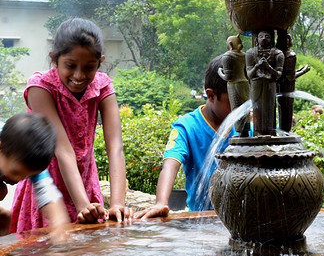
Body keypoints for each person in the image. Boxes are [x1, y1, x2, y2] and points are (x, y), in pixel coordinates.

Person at [11, 18, 133, 234]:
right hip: (48, 186)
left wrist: (117, 204)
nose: (78, 75)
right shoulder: (41, 88)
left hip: (85, 182)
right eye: (70, 65)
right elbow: (63, 150)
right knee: (45, 251)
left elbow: (115, 148)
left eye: (89, 67)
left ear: (100, 62)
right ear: (54, 59)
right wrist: (82, 206)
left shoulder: (103, 88)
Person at [134, 55, 235, 218]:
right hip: (201, 220)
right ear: (210, 95)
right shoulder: (186, 127)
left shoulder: (245, 128)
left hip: (240, 220)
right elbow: (170, 164)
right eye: (234, 100)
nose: (240, 107)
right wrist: (161, 203)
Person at [0, 114, 69, 238]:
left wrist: (59, 228)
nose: (19, 179)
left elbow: (47, 192)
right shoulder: (11, 145)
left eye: (27, 175)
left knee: (4, 218)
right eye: (16, 172)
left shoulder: (26, 150)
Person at [245, 30, 284, 136]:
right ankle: (258, 132)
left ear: (271, 39)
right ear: (256, 39)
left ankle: (269, 131)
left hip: (270, 84)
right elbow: (249, 74)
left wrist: (268, 67)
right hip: (256, 84)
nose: (263, 38)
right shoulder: (250, 53)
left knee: (269, 108)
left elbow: (278, 74)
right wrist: (257, 65)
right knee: (257, 109)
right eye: (260, 36)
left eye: (267, 36)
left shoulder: (278, 54)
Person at [218, 35, 250, 137]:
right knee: (245, 108)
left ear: (230, 45)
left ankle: (241, 132)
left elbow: (228, 76)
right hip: (245, 83)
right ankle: (245, 131)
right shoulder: (244, 55)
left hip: (234, 84)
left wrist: (220, 72)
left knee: (237, 108)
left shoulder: (227, 57)